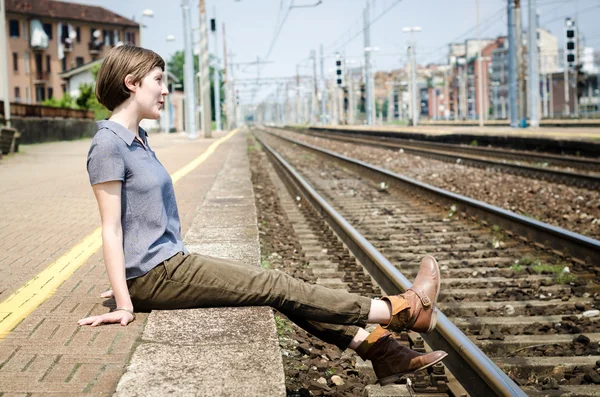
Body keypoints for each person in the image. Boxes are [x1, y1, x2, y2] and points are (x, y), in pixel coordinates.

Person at [77, 45, 447, 386]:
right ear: (131, 83)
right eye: (158, 80)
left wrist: (129, 276)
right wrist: (127, 298)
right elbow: (110, 229)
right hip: (160, 273)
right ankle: (397, 310)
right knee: (274, 284)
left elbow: (136, 221)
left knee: (271, 290)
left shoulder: (138, 138)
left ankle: (383, 352)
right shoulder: (108, 144)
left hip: (165, 267)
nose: (164, 90)